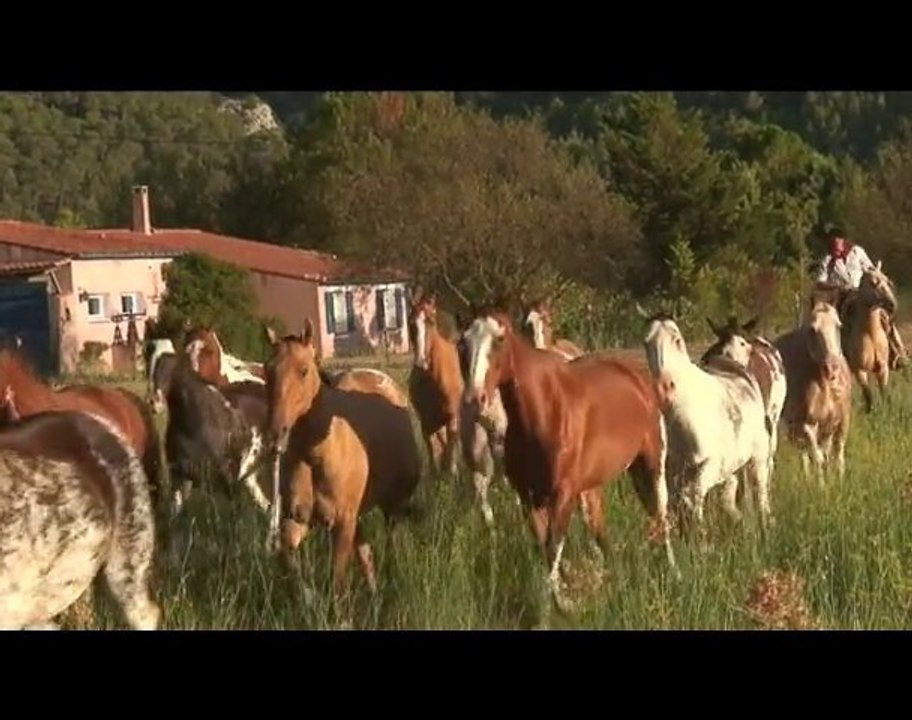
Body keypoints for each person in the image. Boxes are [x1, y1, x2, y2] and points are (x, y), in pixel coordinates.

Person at [814, 231, 907, 369]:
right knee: (836, 321)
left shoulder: (857, 252)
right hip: (842, 294)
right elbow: (819, 282)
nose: (836, 246)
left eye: (838, 242)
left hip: (862, 291)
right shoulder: (827, 260)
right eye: (833, 243)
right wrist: (837, 286)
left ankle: (898, 349)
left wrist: (879, 277)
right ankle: (839, 352)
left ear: (843, 241)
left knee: (882, 314)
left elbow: (869, 268)